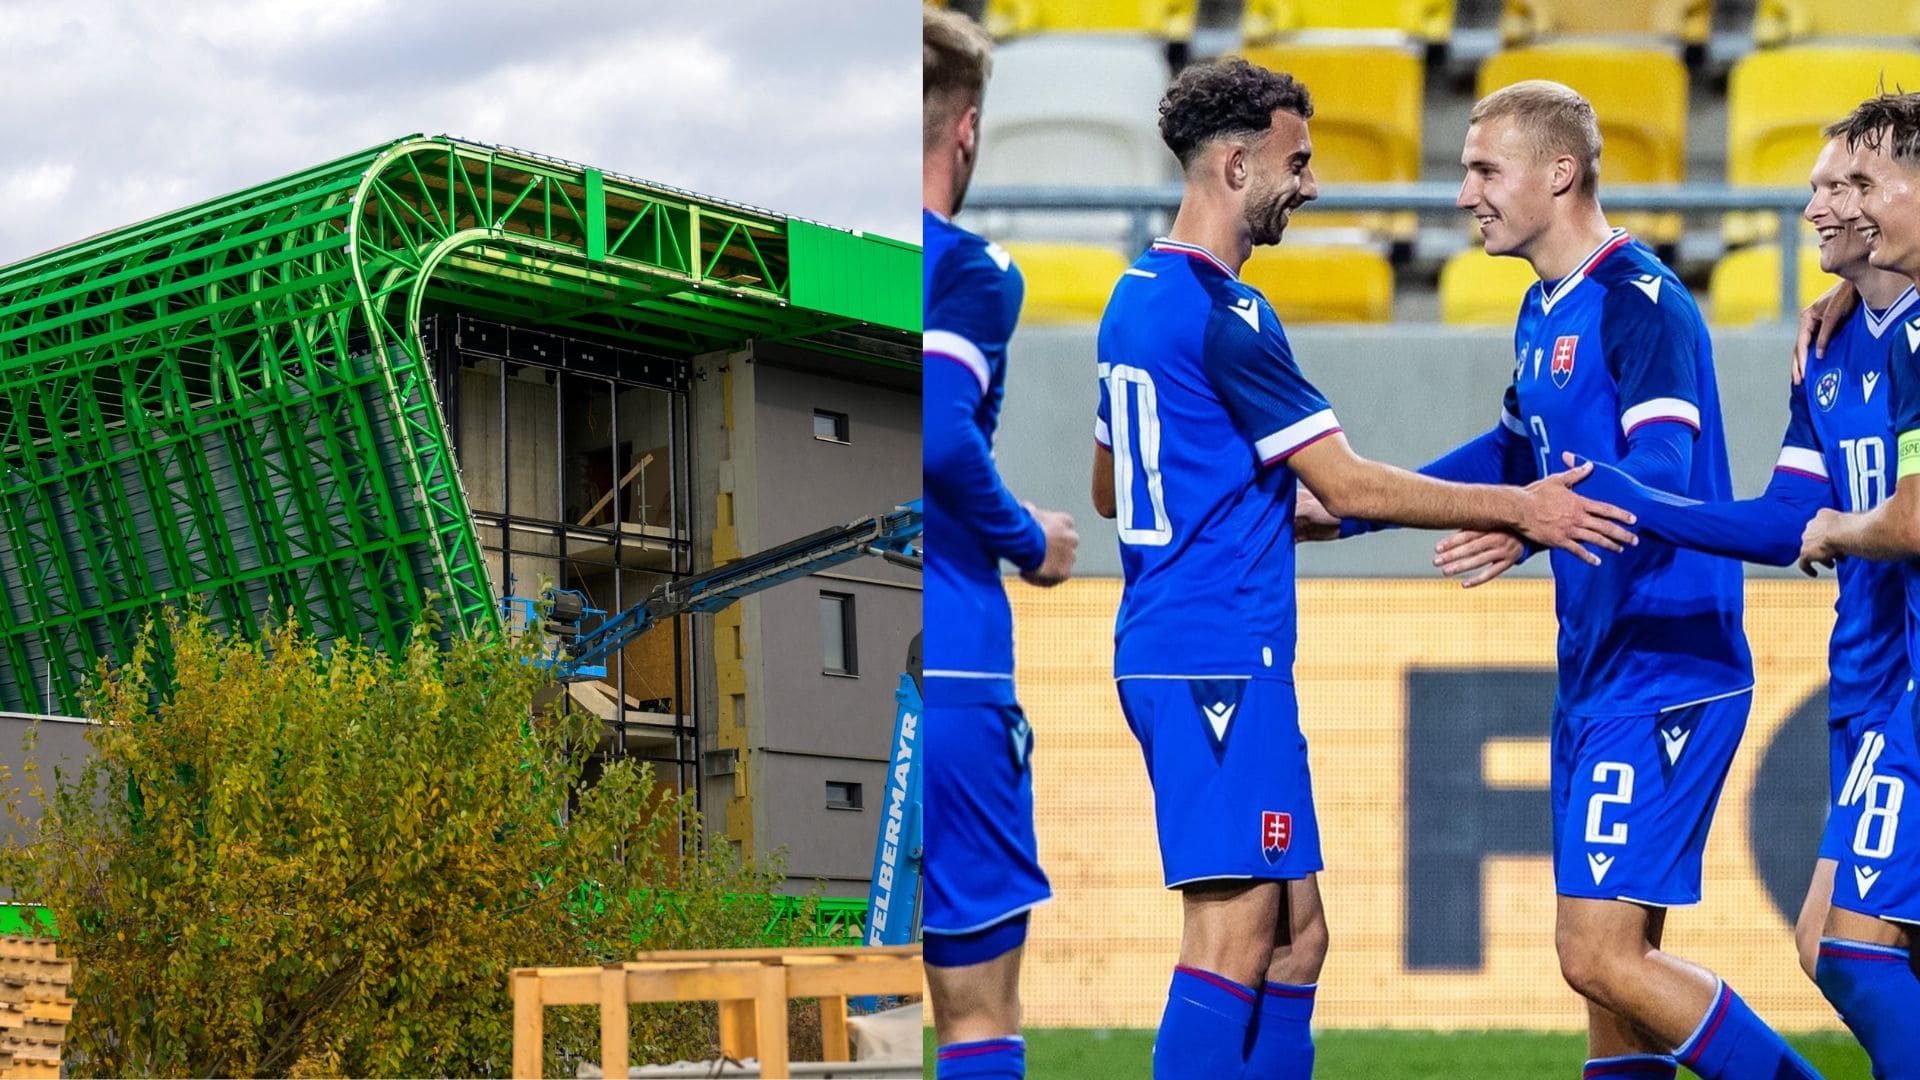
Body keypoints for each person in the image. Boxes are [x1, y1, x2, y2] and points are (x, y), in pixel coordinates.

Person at [1089, 60, 1636, 1080]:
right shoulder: (1230, 314)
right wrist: (1525, 507)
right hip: (1217, 658)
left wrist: (1238, 503)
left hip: (1179, 645)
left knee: (1299, 941)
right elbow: (1346, 485)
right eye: (1297, 164)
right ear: (1239, 163)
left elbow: (1112, 485)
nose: (1310, 185)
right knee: (1233, 944)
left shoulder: (1134, 296)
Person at [1313, 80, 1819, 1079]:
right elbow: (1510, 459)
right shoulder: (1543, 311)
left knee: (1596, 953)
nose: (1464, 194)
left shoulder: (1642, 304)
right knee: (1610, 989)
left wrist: (1535, 523)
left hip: (1667, 666)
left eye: (1483, 170)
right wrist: (1344, 506)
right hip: (1599, 670)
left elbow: (1663, 477)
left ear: (1559, 172)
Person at [1452, 129, 1915, 991]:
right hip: (1861, 675)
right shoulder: (1831, 344)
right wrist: (1364, 502)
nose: (1818, 207)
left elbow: (1679, 475)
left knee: (1825, 953)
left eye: (1851, 184)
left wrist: (1559, 507)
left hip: (1690, 664)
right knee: (1813, 953)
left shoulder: (1639, 298)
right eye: (1819, 185)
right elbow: (1786, 522)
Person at [921, 9, 1078, 1079]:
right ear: (966, 132)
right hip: (950, 665)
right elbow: (938, 431)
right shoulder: (970, 270)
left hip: (799, 664)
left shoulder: (791, 256)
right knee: (975, 1006)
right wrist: (1029, 537)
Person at [1796, 92, 1920, 1079]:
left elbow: (1913, 517)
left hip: (1906, 686)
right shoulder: (1847, 340)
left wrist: (1841, 526)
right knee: (1837, 948)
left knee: (1851, 950)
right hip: (1884, 671)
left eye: (1859, 184)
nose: (1837, 208)